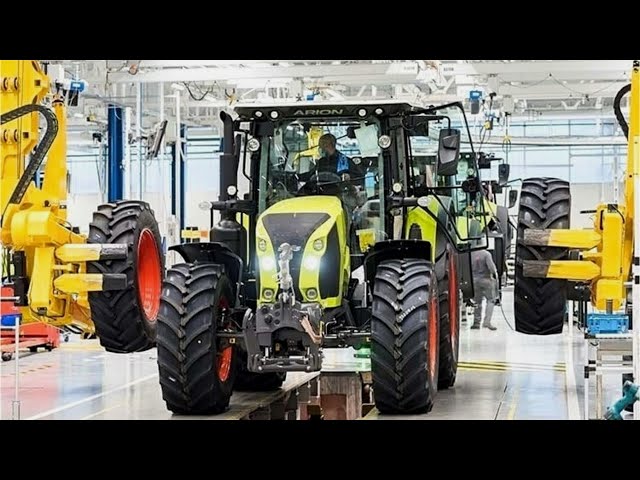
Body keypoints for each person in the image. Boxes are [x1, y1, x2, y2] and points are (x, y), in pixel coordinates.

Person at [470, 247, 499, 330]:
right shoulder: (486, 254)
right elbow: (492, 268)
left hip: (474, 281)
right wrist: (495, 275)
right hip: (486, 280)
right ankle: (487, 322)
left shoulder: (471, 254)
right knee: (490, 300)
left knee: (477, 302)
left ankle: (476, 323)